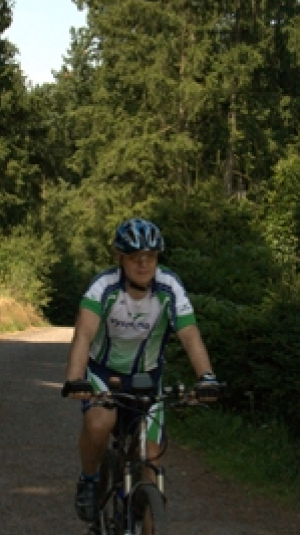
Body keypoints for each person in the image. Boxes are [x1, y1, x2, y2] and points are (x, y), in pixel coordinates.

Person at [61, 217, 220, 523]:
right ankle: (90, 480)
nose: (144, 264)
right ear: (120, 258)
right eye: (135, 257)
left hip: (148, 378)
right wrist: (75, 379)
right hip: (103, 374)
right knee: (99, 423)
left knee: (151, 458)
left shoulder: (169, 288)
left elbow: (190, 334)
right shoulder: (103, 288)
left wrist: (207, 377)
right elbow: (83, 335)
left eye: (151, 256)